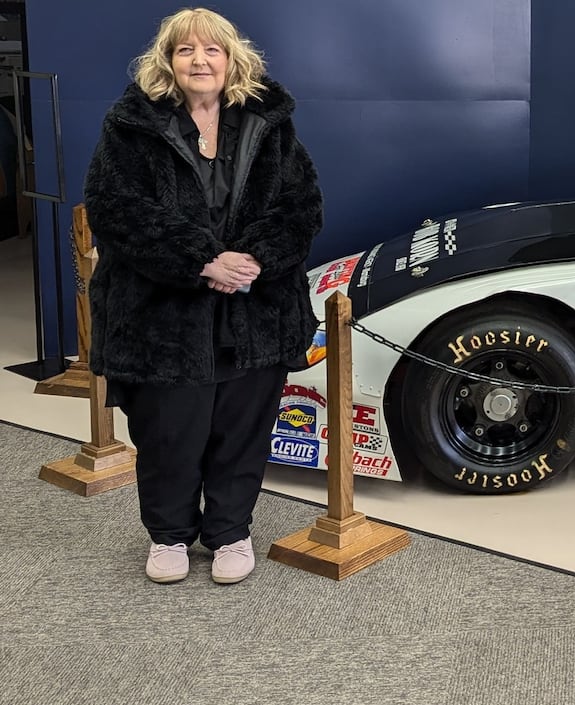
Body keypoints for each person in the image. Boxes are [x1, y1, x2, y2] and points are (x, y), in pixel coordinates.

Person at [84, 7, 323, 585]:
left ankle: (230, 532)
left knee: (242, 427)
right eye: (185, 50)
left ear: (231, 59)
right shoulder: (131, 125)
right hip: (161, 315)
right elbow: (116, 209)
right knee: (169, 431)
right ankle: (168, 534)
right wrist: (201, 259)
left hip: (254, 308)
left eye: (211, 50)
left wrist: (252, 261)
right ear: (166, 62)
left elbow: (300, 206)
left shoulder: (270, 122)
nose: (199, 60)